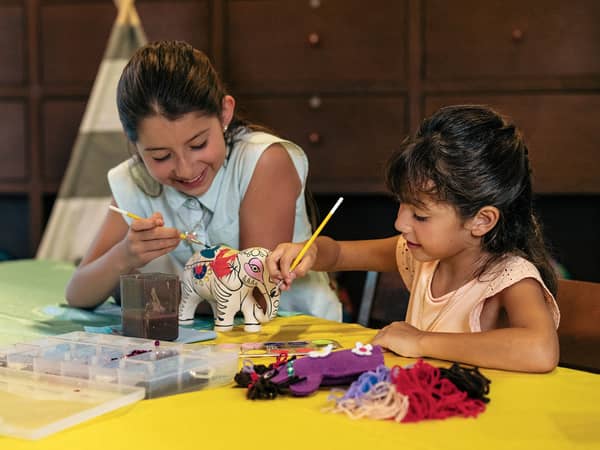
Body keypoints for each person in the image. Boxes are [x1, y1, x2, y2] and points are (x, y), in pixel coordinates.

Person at [266, 104, 560, 372]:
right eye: (400, 205)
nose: (400, 223)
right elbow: (340, 254)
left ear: (481, 221)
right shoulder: (423, 256)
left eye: (420, 215)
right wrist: (312, 251)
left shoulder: (509, 276)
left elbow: (540, 350)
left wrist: (421, 341)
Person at [65, 40, 341, 321]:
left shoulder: (263, 162)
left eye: (198, 144)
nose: (185, 169)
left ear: (224, 113)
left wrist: (153, 296)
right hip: (211, 337)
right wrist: (126, 255)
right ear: (135, 145)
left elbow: (255, 295)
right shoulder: (137, 178)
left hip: (296, 330)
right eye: (161, 156)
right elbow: (77, 293)